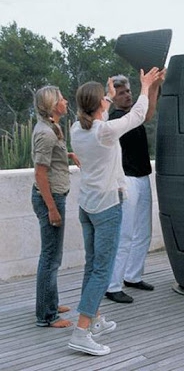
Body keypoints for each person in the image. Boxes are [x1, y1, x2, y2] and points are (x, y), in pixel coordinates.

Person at [68, 67, 160, 356]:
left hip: (87, 206)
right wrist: (146, 86)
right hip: (107, 207)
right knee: (101, 271)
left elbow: (101, 115)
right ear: (99, 104)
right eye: (104, 100)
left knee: (92, 265)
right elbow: (137, 115)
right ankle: (81, 332)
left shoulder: (77, 128)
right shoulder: (104, 132)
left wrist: (106, 96)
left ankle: (93, 318)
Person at [105, 70, 165, 304]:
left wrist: (155, 85)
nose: (127, 95)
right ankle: (112, 286)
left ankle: (132, 275)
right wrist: (147, 87)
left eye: (129, 91)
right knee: (125, 234)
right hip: (126, 180)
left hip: (142, 177)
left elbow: (147, 113)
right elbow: (144, 112)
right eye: (121, 93)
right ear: (113, 97)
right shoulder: (116, 120)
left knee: (143, 231)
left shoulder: (132, 115)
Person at [31, 86, 80, 328]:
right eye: (61, 99)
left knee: (53, 257)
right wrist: (52, 208)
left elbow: (50, 158)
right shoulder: (46, 134)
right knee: (50, 258)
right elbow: (40, 174)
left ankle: (50, 302)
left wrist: (67, 155)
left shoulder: (51, 128)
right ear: (52, 105)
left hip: (54, 197)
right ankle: (46, 316)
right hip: (49, 199)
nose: (66, 101)